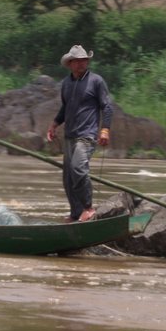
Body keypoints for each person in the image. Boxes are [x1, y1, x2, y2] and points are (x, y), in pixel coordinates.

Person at [46, 45, 113, 223]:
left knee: (78, 168)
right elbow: (65, 107)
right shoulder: (66, 84)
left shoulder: (96, 81)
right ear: (70, 63)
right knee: (68, 177)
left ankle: (88, 208)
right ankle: (76, 213)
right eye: (78, 61)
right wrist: (54, 124)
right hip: (70, 135)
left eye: (85, 60)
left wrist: (105, 129)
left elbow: (106, 106)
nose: (82, 63)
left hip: (87, 135)